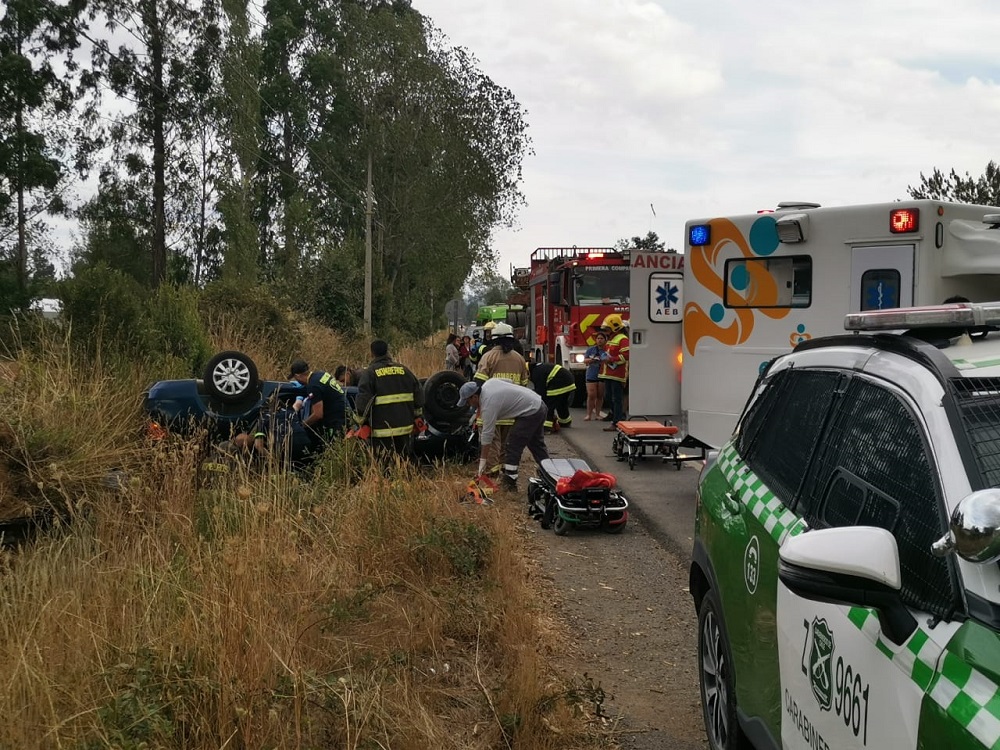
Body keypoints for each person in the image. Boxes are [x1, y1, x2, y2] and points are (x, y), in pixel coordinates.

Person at [456, 378, 549, 492]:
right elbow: (509, 381)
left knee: (513, 444)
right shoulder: (489, 383)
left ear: (474, 397)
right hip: (538, 403)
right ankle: (549, 474)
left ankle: (510, 482)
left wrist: (482, 463)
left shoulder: (488, 405)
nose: (468, 405)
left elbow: (487, 436)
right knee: (536, 445)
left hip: (531, 411)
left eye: (467, 402)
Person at [473, 322, 529, 473]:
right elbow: (524, 385)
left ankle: (491, 473)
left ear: (494, 339)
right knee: (507, 444)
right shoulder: (519, 359)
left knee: (491, 442)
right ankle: (507, 471)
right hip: (512, 411)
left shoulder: (488, 357)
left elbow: (478, 384)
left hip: (492, 411)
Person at [353, 340, 425, 458]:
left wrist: (359, 422)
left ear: (372, 353)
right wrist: (417, 417)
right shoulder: (405, 370)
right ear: (387, 351)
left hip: (382, 432)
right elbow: (419, 398)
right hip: (405, 429)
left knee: (385, 463)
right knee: (403, 461)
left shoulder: (370, 374)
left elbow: (363, 403)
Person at [288, 359, 348, 447]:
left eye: (295, 378)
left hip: (336, 422)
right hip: (345, 414)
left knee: (334, 448)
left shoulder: (313, 386)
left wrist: (302, 425)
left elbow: (318, 414)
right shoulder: (321, 374)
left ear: (298, 376)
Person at [598, 314, 629, 431]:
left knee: (616, 399)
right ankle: (617, 418)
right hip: (609, 374)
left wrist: (611, 359)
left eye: (607, 329)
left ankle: (617, 422)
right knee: (609, 397)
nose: (605, 331)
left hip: (617, 375)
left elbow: (626, 355)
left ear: (614, 327)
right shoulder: (612, 339)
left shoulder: (623, 339)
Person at [528, 361, 576, 431]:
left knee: (548, 405)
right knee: (561, 403)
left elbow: (541, 392)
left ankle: (546, 427)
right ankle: (565, 422)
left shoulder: (536, 373)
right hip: (569, 381)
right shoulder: (539, 368)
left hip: (559, 382)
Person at [584, 331, 610, 421]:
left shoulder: (607, 349)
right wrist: (592, 359)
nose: (599, 340)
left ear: (605, 340)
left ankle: (598, 414)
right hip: (591, 374)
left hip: (602, 374)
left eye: (601, 339)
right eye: (598, 338)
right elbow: (585, 360)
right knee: (591, 395)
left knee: (600, 395)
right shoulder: (591, 350)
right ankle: (588, 414)